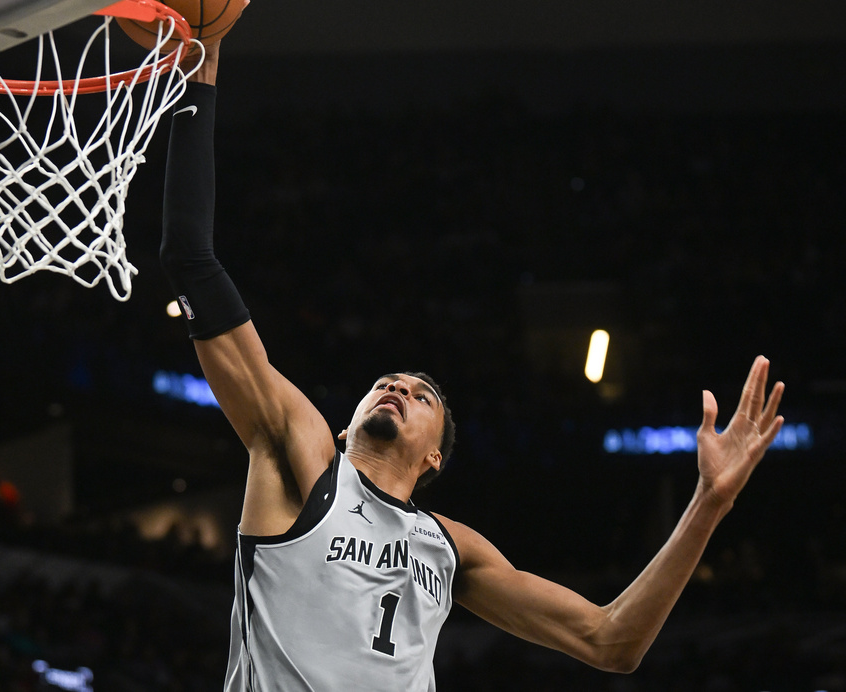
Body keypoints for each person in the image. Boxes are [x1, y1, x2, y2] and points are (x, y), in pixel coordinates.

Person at [158, 41, 785, 691]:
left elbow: (610, 641)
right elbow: (190, 259)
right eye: (384, 384)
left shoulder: (453, 547)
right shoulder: (302, 460)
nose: (398, 385)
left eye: (422, 394)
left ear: (435, 458)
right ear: (343, 431)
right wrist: (200, 69)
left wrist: (710, 503)